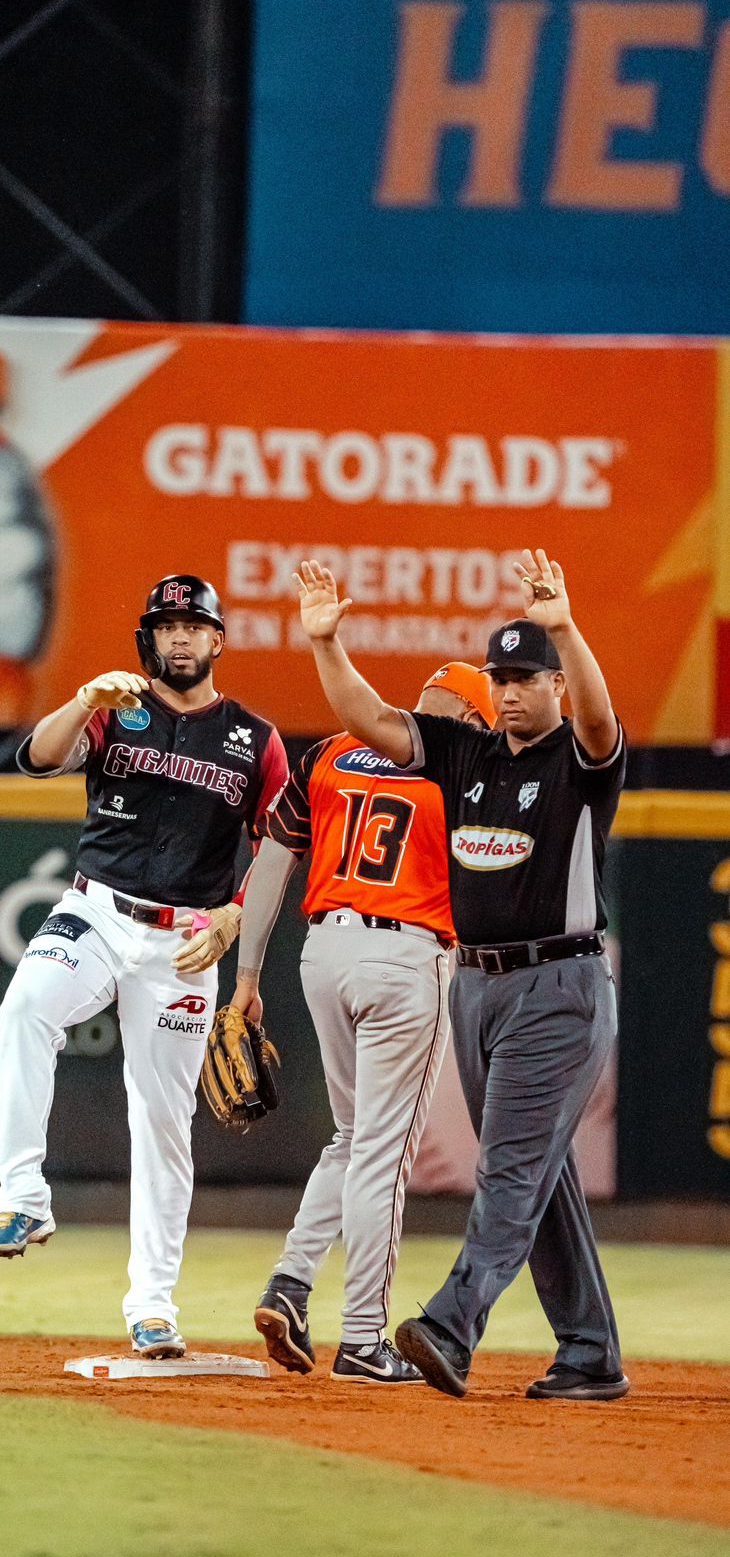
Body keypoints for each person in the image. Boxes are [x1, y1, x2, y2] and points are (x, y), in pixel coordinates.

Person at [295, 550, 629, 1403]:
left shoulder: (580, 760)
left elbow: (599, 719)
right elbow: (371, 719)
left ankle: (451, 1323)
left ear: (555, 686)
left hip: (557, 986)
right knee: (540, 1174)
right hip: (476, 986)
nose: (511, 691)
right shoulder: (464, 753)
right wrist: (327, 645)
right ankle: (590, 1352)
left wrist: (565, 629)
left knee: (509, 1171)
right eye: (501, 678)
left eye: (527, 678)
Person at [0, 574, 288, 1359]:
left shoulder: (255, 738)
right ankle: (23, 1194)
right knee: (25, 1008)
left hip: (186, 941)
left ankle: (152, 1306)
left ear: (218, 640)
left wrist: (236, 914)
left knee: (162, 1121)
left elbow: (283, 842)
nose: (179, 636)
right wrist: (83, 699)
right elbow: (38, 757)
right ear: (149, 639)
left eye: (193, 625)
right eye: (166, 625)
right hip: (97, 910)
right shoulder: (117, 709)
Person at [235, 664, 496, 1383]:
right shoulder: (463, 769)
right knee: (383, 1153)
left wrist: (247, 976)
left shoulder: (330, 752)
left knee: (353, 1138)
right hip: (404, 956)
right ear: (471, 720)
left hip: (323, 951)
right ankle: (362, 1339)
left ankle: (290, 1282)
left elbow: (273, 858)